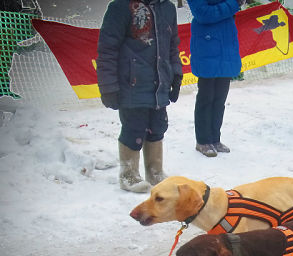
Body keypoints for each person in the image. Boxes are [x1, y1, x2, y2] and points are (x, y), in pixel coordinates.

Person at [97, 0, 183, 193]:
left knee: (157, 127)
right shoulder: (121, 7)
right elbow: (107, 49)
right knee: (134, 128)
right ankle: (129, 174)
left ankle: (155, 171)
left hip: (159, 82)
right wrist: (108, 86)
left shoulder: (167, 8)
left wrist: (176, 73)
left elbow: (172, 46)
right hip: (131, 83)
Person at [187, 0, 242, 157]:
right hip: (207, 45)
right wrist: (233, 4)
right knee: (206, 97)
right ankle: (203, 141)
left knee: (220, 99)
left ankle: (215, 139)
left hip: (226, 45)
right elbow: (203, 14)